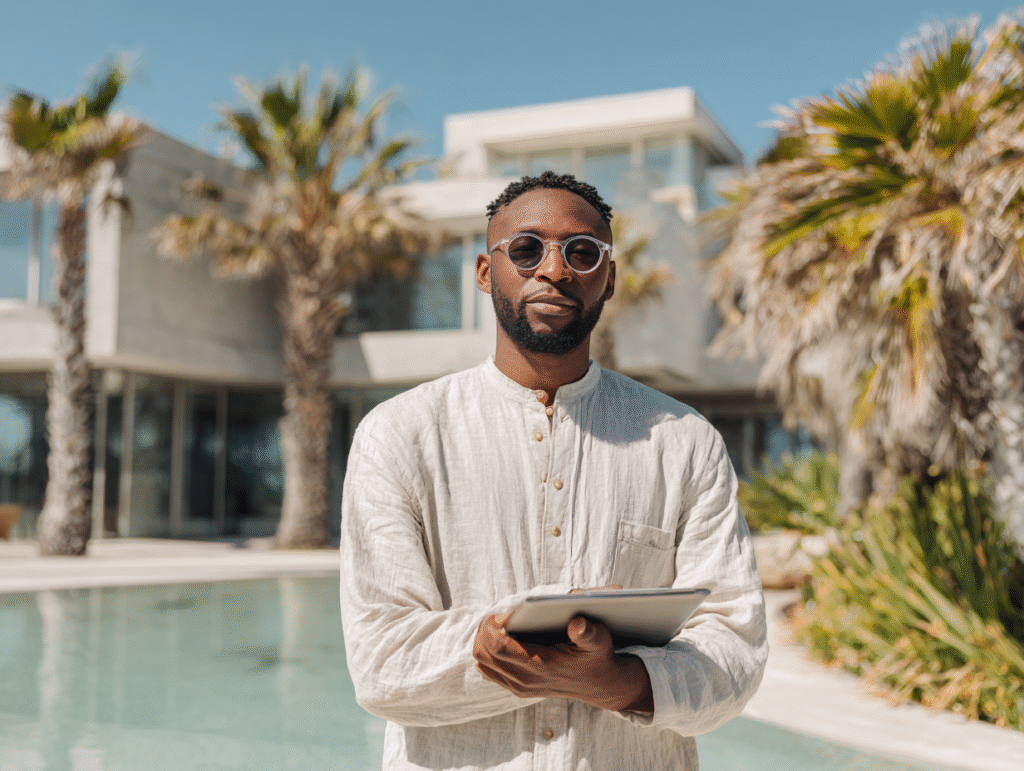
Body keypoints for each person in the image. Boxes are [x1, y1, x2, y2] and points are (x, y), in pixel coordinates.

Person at [340, 171, 767, 770]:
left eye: (582, 252)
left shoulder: (684, 442)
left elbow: (736, 649)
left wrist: (620, 683)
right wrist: (524, 645)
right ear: (486, 274)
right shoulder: (400, 434)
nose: (555, 269)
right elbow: (382, 665)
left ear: (609, 279)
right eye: (525, 249)